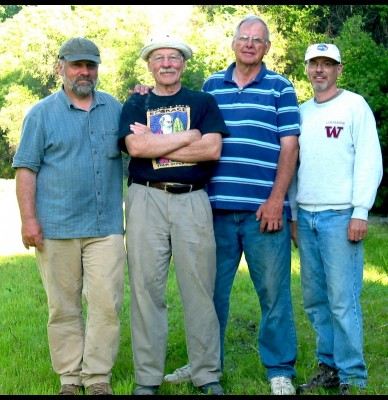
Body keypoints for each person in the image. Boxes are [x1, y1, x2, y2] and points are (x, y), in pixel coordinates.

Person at [162, 14, 301, 395]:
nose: (250, 44)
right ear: (233, 43)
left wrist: (276, 201)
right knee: (209, 295)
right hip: (214, 211)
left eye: (258, 39)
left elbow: (290, 147)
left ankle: (280, 370)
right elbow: (177, 125)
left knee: (273, 294)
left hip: (264, 214)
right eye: (244, 37)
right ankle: (205, 365)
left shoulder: (280, 88)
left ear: (267, 48)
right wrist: (146, 93)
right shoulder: (210, 87)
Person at [12, 37, 126, 395]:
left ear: (97, 69)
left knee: (106, 304)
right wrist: (28, 220)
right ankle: (69, 377)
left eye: (90, 65)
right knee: (63, 307)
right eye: (77, 65)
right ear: (61, 66)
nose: (84, 72)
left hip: (105, 227)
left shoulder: (116, 108)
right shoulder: (41, 114)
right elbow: (26, 170)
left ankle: (97, 377)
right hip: (56, 227)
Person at [118, 33, 229, 396]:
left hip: (193, 201)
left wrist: (160, 142)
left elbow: (211, 149)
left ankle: (206, 374)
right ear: (149, 65)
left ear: (184, 64)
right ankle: (147, 378)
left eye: (174, 57)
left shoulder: (202, 101)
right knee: (146, 290)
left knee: (198, 288)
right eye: (159, 58)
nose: (166, 63)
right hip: (145, 199)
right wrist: (189, 135)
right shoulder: (135, 104)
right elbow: (136, 146)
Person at [289, 43, 383, 395]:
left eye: (328, 64)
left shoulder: (354, 106)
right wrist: (295, 216)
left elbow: (369, 161)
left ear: (339, 70)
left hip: (341, 216)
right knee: (315, 299)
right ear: (307, 68)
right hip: (308, 216)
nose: (320, 70)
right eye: (314, 64)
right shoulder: (301, 112)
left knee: (343, 300)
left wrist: (361, 211)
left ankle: (352, 376)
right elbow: (295, 168)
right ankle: (328, 366)